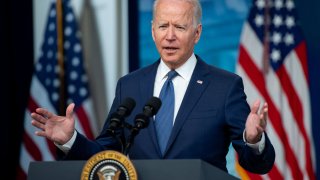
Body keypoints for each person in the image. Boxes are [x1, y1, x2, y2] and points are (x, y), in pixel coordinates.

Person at [31, 0, 275, 175]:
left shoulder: (225, 86)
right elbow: (105, 155)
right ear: (152, 30)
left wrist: (254, 140)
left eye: (179, 27)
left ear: (197, 33)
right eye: (162, 26)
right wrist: (70, 139)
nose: (170, 36)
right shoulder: (130, 85)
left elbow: (259, 165)